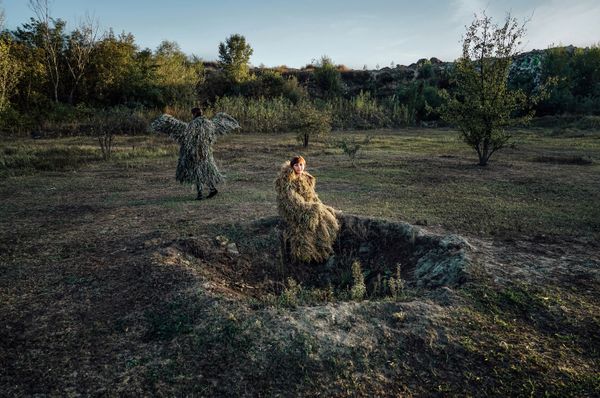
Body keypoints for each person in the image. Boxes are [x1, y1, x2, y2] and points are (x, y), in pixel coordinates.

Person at [150, 107, 240, 200]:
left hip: (196, 153)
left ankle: (200, 194)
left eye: (192, 114)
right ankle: (212, 189)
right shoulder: (210, 123)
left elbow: (186, 136)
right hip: (206, 153)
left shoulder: (193, 125)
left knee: (198, 172)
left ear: (194, 114)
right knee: (206, 171)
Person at [275, 156, 340, 263]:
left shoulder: (306, 178)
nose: (299, 167)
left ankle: (324, 250)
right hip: (294, 209)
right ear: (292, 166)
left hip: (308, 205)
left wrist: (317, 204)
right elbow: (292, 199)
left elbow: (312, 195)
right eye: (296, 165)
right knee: (305, 230)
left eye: (301, 165)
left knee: (328, 220)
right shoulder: (287, 180)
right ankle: (307, 256)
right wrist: (309, 208)